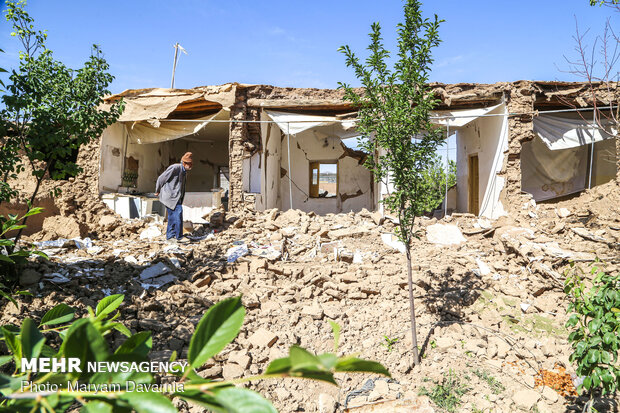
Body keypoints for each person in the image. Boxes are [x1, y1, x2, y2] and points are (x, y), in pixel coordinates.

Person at [155, 152, 193, 241]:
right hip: (170, 197)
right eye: (189, 164)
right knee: (178, 213)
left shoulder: (184, 172)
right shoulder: (175, 168)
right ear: (183, 163)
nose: (190, 166)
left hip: (176, 197)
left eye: (191, 164)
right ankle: (179, 237)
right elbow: (161, 178)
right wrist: (157, 190)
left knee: (172, 217)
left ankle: (170, 236)